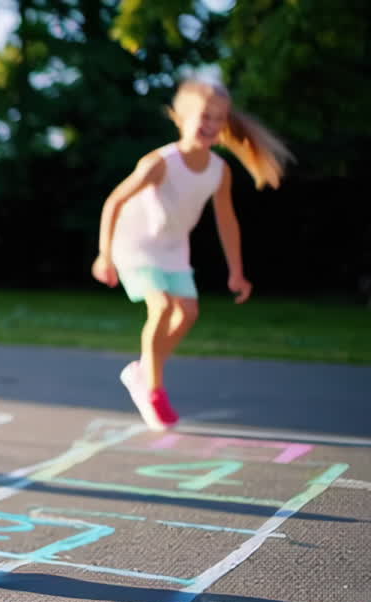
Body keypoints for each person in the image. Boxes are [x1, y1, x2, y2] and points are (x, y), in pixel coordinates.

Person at [92, 77, 292, 430]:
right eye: (203, 115)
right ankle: (152, 391)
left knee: (188, 313)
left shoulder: (219, 171)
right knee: (164, 307)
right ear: (180, 117)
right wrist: (105, 254)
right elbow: (115, 200)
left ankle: (142, 371)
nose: (210, 124)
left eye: (218, 118)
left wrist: (237, 271)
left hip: (172, 249)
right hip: (135, 244)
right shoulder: (161, 162)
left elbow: (227, 222)